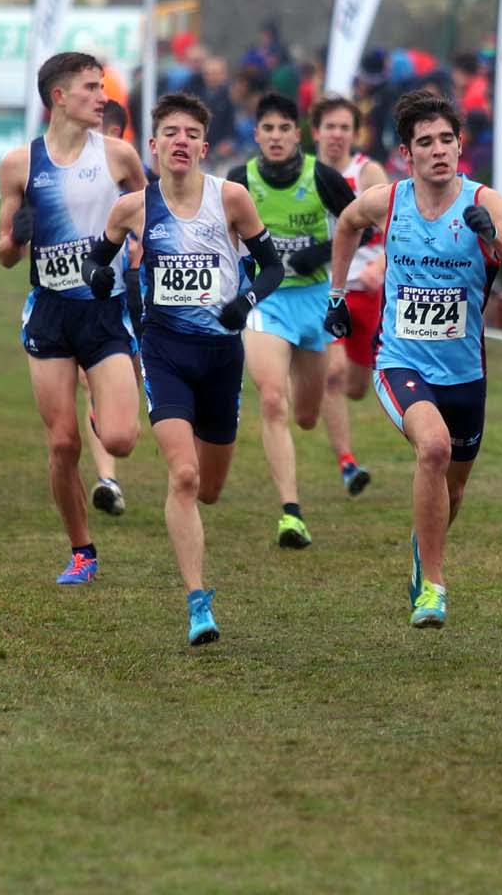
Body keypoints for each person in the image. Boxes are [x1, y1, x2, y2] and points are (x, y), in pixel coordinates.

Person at [325, 90, 502, 627]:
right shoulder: (390, 200)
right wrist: (335, 296)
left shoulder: (485, 202)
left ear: (460, 144)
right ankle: (433, 587)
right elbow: (350, 222)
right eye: (426, 142)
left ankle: (424, 553)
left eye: (447, 139)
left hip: (466, 372)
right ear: (407, 153)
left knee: (454, 486)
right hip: (400, 360)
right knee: (433, 448)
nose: (439, 150)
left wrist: (495, 239)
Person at [81, 92, 286, 644]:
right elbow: (95, 263)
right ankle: (199, 602)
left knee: (212, 487)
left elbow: (272, 267)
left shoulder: (233, 199)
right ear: (152, 146)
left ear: (204, 146)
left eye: (191, 134)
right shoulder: (133, 208)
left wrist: (246, 303)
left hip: (222, 357)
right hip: (164, 351)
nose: (181, 142)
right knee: (185, 477)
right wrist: (102, 280)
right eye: (170, 132)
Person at [0, 51, 149, 583]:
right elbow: (4, 253)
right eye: (91, 87)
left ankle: (102, 409)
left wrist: (136, 245)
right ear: (59, 96)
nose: (102, 97)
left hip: (104, 314)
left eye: (101, 87)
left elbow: (153, 218)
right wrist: (17, 233)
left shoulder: (120, 157)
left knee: (122, 439)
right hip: (50, 314)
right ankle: (82, 551)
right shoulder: (21, 164)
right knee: (62, 443)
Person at [227, 93, 359, 547]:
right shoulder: (239, 181)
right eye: (268, 129)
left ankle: (302, 414)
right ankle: (291, 512)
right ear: (257, 134)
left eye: (284, 128)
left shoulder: (321, 177)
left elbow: (360, 223)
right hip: (267, 301)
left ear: (297, 135)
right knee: (270, 400)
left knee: (305, 415)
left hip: (314, 302)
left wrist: (320, 252)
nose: (276, 136)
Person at [311, 93, 390, 496]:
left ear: (354, 133)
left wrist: (381, 265)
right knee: (334, 376)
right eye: (331, 127)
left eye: (345, 127)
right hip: (326, 292)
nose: (338, 135)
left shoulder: (368, 173)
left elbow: (400, 225)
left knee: (358, 385)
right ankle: (347, 463)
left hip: (368, 292)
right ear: (316, 132)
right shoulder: (304, 175)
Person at [81, 98, 143, 516]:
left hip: (136, 299)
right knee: (95, 385)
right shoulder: (72, 183)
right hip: (91, 304)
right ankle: (108, 478)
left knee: (133, 392)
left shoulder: (139, 190)